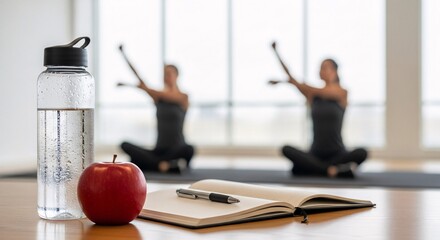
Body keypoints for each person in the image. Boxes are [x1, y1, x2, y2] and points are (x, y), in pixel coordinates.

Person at [270, 59, 368, 178]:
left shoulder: (342, 93)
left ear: (335, 72)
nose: (322, 70)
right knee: (286, 149)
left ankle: (315, 168)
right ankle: (332, 171)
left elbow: (309, 87)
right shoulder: (312, 95)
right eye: (321, 68)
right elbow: (291, 76)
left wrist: (290, 83)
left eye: (326, 67)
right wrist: (276, 52)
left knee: (362, 152)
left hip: (338, 153)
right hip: (315, 153)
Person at [120, 65, 195, 173]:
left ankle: (153, 164)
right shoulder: (157, 97)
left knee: (189, 149)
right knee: (125, 145)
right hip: (158, 150)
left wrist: (141, 87)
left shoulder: (183, 97)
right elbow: (141, 80)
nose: (166, 77)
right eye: (164, 74)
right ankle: (163, 166)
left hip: (177, 149)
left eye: (169, 74)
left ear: (177, 76)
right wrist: (124, 55)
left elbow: (166, 96)